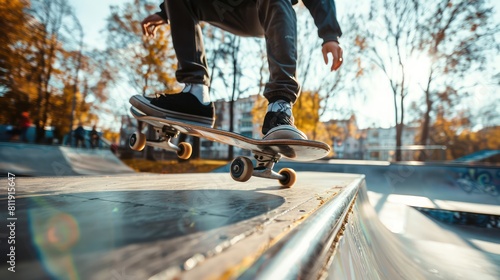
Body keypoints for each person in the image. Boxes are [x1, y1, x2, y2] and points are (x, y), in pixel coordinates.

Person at [130, 0, 343, 140]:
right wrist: (167, 11)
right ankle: (196, 96)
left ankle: (280, 106)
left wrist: (330, 34)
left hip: (264, 8)